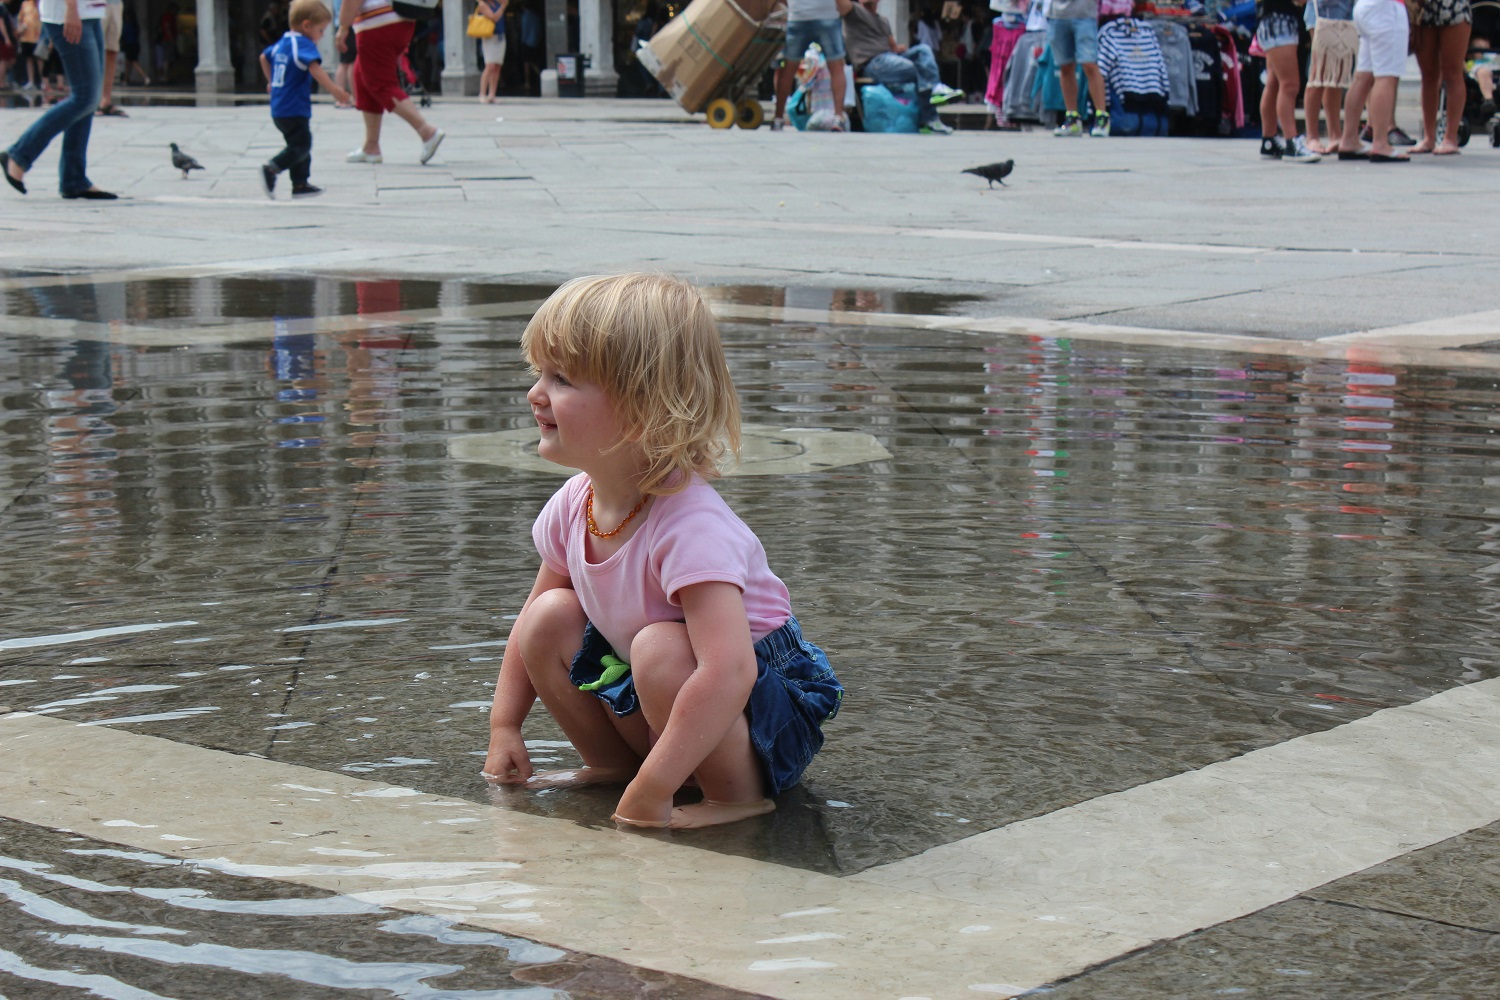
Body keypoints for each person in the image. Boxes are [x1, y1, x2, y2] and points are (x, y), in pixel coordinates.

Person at [482, 273, 845, 831]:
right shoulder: (574, 503)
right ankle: (614, 765)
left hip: (762, 722)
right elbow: (528, 628)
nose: (536, 394)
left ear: (644, 405)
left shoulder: (691, 526)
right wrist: (504, 726)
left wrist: (655, 789)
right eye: (539, 374)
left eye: (562, 379)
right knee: (547, 618)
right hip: (665, 700)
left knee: (658, 647)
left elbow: (729, 671)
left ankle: (734, 796)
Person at [2, 0, 116, 198]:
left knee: (88, 98)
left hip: (91, 12)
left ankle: (74, 178)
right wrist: (71, 10)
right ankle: (19, 155)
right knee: (85, 97)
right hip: (69, 13)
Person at [258, 0, 348, 199]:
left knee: (298, 144)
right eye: (321, 30)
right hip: (294, 107)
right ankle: (272, 168)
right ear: (307, 26)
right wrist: (335, 90)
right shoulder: (302, 44)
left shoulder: (284, 42)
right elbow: (315, 69)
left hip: (280, 108)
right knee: (302, 146)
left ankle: (300, 184)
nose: (322, 35)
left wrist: (271, 81)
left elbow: (264, 57)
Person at [337, 0, 444, 164]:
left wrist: (343, 27)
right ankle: (371, 146)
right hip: (401, 19)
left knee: (381, 84)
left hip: (377, 24)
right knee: (362, 76)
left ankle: (426, 132)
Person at [840, 0, 963, 134]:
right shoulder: (854, 12)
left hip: (889, 57)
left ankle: (934, 89)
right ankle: (930, 117)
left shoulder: (883, 21)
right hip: (872, 63)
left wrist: (899, 49)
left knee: (923, 50)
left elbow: (893, 47)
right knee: (919, 70)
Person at [1336, 0, 1410, 160]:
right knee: (1385, 77)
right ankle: (1381, 143)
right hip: (1386, 9)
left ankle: (1349, 139)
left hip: (1365, 7)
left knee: (1363, 77)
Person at [1256, 0, 1320, 160]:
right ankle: (1292, 141)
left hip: (1274, 22)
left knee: (1274, 83)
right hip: (1279, 24)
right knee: (1289, 85)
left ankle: (1269, 140)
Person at [773, 0, 850, 130]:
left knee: (788, 69)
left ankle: (778, 118)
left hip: (798, 16)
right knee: (836, 67)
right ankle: (838, 118)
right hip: (827, 16)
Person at [1410, 0, 1472, 153]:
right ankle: (1428, 137)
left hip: (1454, 7)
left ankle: (1450, 137)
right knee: (1428, 75)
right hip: (1423, 7)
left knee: (1452, 72)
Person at [1048, 0, 1109, 136]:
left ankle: (1102, 117)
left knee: (1089, 64)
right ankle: (1072, 118)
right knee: (1065, 67)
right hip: (1057, 16)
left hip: (1084, 16)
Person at [1303, 0, 1357, 154]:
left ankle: (1335, 134)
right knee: (1319, 72)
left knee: (1335, 75)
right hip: (1322, 9)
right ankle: (1312, 137)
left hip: (1344, 9)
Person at [475, 0, 507, 104]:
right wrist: (502, 7)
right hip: (489, 37)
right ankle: (482, 93)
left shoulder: (496, 3)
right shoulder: (483, 5)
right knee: (490, 65)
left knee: (497, 66)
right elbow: (494, 18)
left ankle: (492, 94)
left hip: (500, 36)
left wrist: (503, 4)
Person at [95, 0, 123, 115]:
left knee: (112, 50)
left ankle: (106, 101)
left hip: (116, 3)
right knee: (95, 50)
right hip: (96, 5)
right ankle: (94, 101)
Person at [17, 0, 42, 90]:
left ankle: (43, 81)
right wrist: (20, 29)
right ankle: (31, 81)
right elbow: (20, 18)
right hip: (27, 36)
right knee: (29, 59)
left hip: (39, 36)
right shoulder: (25, 4)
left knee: (40, 59)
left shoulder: (41, 4)